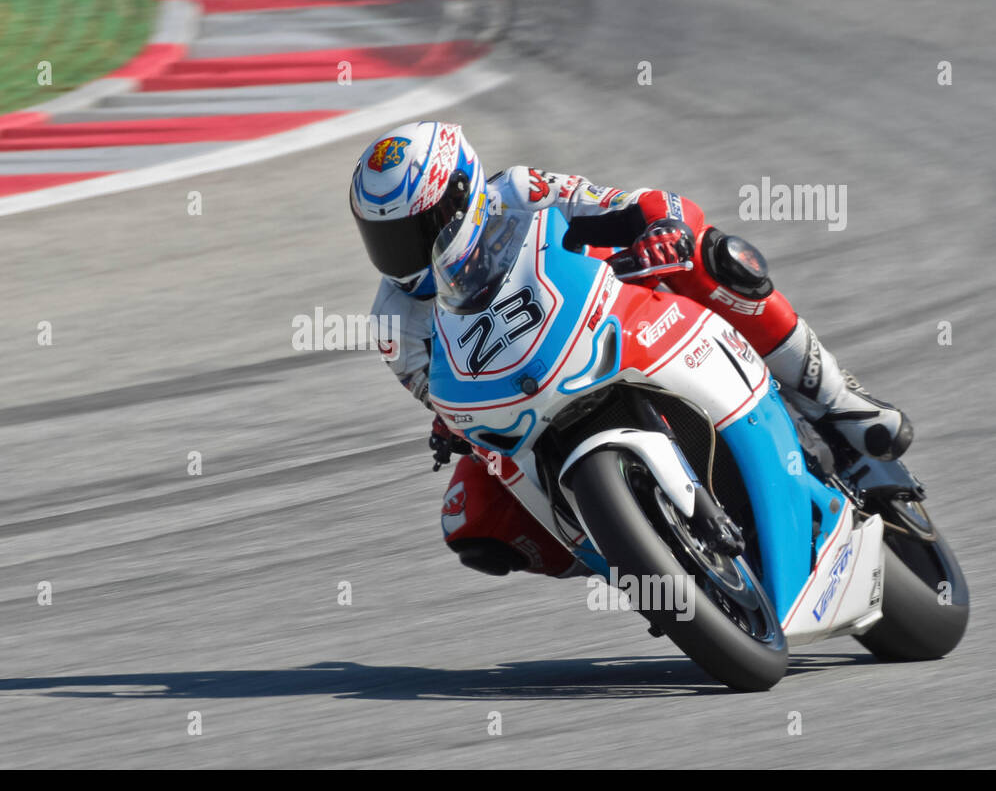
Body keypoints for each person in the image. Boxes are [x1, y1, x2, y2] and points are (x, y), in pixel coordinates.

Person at [348, 121, 911, 578]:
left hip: (610, 314)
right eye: (387, 240)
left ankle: (838, 401)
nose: (403, 255)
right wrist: (450, 425)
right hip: (520, 398)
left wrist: (659, 224)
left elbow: (624, 202)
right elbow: (441, 400)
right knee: (472, 521)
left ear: (464, 194)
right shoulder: (394, 320)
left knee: (713, 257)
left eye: (419, 231)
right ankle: (628, 544)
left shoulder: (519, 193)